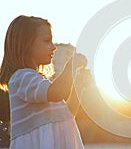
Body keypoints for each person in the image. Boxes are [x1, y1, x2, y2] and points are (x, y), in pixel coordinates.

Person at [0, 15, 87, 149]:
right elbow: (58, 92)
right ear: (26, 45)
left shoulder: (37, 82)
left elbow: (67, 114)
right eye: (47, 41)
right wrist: (70, 65)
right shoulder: (21, 78)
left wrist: (79, 87)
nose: (53, 47)